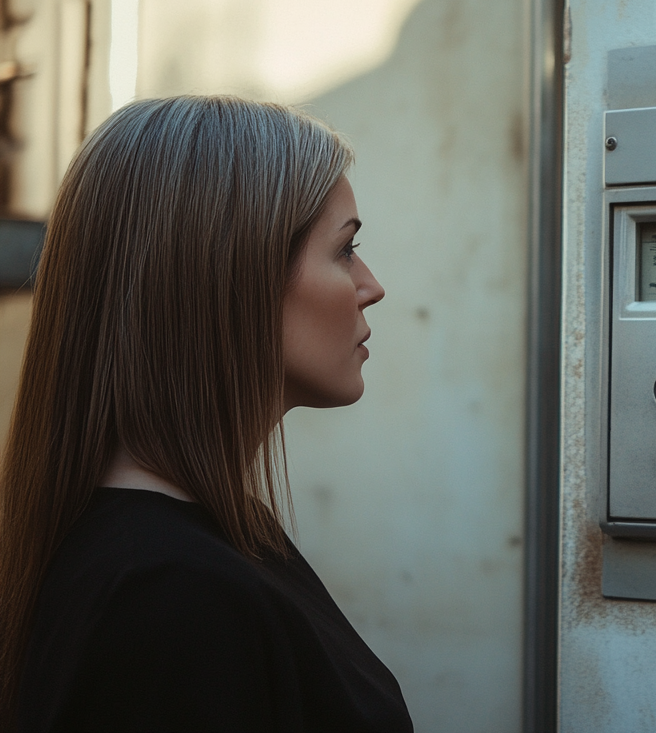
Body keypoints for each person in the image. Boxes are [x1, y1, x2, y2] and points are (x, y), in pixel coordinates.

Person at [0, 95, 411, 731]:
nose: (371, 286)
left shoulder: (206, 541)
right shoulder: (169, 590)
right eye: (344, 250)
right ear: (232, 273)